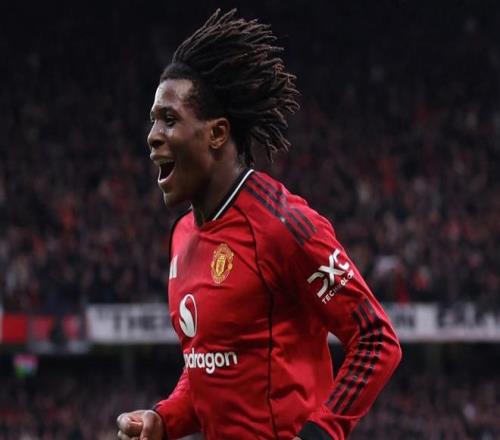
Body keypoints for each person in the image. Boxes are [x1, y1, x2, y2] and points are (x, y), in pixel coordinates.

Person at [117, 9, 401, 440]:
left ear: (217, 134)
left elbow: (376, 340)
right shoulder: (182, 235)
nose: (153, 135)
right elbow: (209, 366)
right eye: (153, 120)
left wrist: (321, 432)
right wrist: (164, 418)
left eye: (169, 120)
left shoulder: (285, 226)